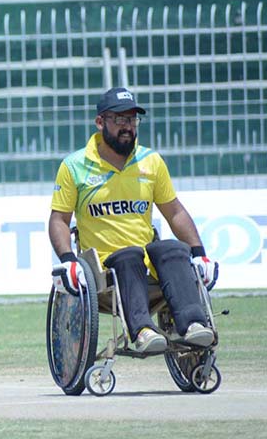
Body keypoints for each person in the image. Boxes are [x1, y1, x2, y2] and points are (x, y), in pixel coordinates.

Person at [48, 87, 219, 354]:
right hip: (105, 267)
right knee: (128, 257)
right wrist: (68, 261)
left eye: (132, 120)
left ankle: (194, 326)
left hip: (148, 262)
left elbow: (175, 212)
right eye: (120, 120)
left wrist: (200, 253)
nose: (127, 127)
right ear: (100, 122)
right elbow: (59, 219)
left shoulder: (151, 161)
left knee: (174, 250)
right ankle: (141, 331)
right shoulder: (74, 166)